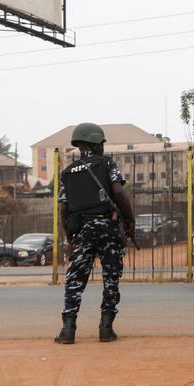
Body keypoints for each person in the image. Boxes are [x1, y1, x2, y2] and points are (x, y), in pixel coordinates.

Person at [54, 123, 135, 345]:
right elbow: (118, 191)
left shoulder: (67, 174)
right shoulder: (106, 163)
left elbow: (63, 209)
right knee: (111, 277)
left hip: (80, 231)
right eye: (100, 143)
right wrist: (130, 221)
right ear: (94, 143)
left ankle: (68, 330)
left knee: (75, 279)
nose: (102, 147)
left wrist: (71, 239)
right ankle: (106, 329)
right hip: (107, 228)